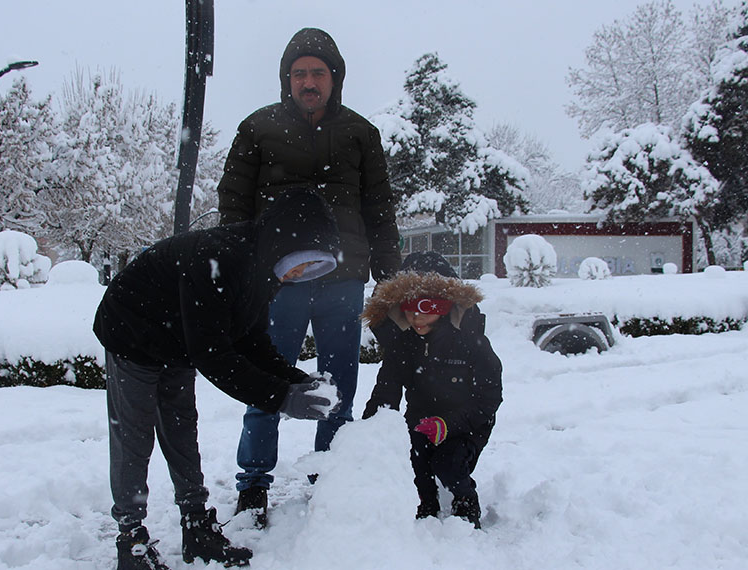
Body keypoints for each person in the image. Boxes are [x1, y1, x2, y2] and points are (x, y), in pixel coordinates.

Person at [93, 189, 343, 570]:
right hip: (132, 329)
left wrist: (296, 381)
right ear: (284, 242)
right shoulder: (220, 257)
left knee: (181, 431)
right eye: (302, 261)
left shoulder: (265, 269)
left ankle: (196, 526)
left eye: (311, 265)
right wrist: (282, 397)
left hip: (178, 340)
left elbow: (250, 340)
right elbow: (214, 355)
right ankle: (132, 540)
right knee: (134, 436)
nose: (300, 273)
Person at [216, 26, 402, 526]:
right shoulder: (257, 129)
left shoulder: (361, 133)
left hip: (345, 279)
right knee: (265, 380)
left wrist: (389, 274)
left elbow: (379, 206)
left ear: (334, 77)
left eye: (318, 72)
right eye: (299, 73)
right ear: (287, 79)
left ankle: (330, 478)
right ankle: (253, 485)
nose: (308, 82)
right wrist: (239, 266)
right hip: (280, 281)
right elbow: (234, 203)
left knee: (338, 385)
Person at [361, 251, 503, 529]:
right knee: (412, 461)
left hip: (468, 423)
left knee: (448, 463)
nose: (417, 318)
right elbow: (386, 391)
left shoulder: (471, 342)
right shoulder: (403, 344)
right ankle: (425, 503)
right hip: (420, 420)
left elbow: (489, 398)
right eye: (409, 309)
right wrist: (367, 433)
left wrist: (448, 424)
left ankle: (465, 502)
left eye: (426, 309)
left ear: (445, 306)